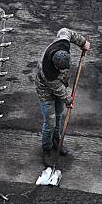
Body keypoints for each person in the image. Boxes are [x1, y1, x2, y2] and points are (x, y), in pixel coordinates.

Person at [35, 28, 90, 158]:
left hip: (61, 86)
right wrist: (69, 101)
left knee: (59, 116)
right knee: (50, 122)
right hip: (46, 93)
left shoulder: (62, 42)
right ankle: (46, 149)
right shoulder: (48, 72)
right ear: (55, 66)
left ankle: (56, 140)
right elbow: (59, 91)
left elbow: (66, 31)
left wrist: (82, 42)